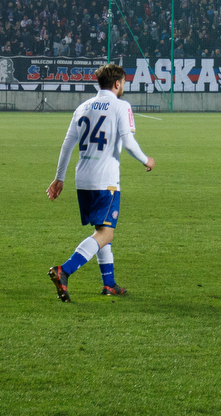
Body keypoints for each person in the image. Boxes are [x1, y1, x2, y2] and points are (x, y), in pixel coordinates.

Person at [46, 64, 154, 300]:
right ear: (117, 84)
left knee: (100, 231)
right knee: (107, 234)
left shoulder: (82, 107)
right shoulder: (121, 106)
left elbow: (67, 145)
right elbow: (128, 142)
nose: (123, 87)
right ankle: (65, 270)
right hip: (106, 181)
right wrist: (147, 160)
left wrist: (59, 178)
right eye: (123, 83)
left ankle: (109, 284)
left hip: (82, 179)